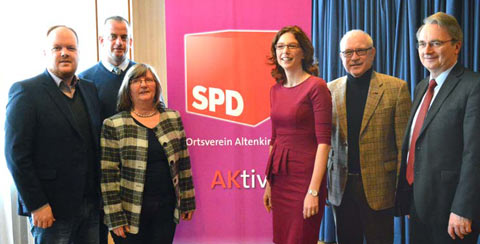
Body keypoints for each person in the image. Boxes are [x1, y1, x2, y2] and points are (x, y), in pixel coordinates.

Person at [5, 25, 102, 243]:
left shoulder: (89, 89)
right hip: (51, 211)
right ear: (45, 53)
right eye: (57, 48)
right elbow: (16, 155)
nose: (64, 53)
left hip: (91, 206)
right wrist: (36, 204)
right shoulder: (26, 92)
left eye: (71, 48)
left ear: (78, 53)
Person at [395, 12, 480, 243]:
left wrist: (463, 209)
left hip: (452, 212)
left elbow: (475, 155)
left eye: (436, 43)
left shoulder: (473, 86)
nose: (427, 50)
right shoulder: (422, 86)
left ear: (456, 46)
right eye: (422, 44)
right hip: (420, 204)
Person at [327, 30, 411, 243]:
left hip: (380, 188)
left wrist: (404, 190)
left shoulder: (396, 89)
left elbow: (404, 146)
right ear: (340, 56)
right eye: (347, 52)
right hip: (341, 188)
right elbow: (327, 143)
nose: (354, 57)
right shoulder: (329, 90)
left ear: (372, 53)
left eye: (360, 51)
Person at [100, 63, 195, 243]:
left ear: (156, 86)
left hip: (165, 211)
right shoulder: (114, 124)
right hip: (130, 214)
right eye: (137, 80)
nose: (143, 84)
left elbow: (183, 162)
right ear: (128, 89)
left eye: (149, 80)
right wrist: (114, 217)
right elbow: (108, 176)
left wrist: (188, 201)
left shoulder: (173, 118)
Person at [263, 25, 332, 244]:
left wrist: (313, 191)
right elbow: (274, 140)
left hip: (306, 179)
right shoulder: (275, 90)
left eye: (292, 46)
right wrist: (269, 183)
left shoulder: (316, 87)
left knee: (300, 239)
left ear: (303, 52)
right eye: (280, 46)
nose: (286, 51)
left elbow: (324, 143)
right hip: (280, 178)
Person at [79, 16, 136, 120]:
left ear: (130, 42)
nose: (119, 42)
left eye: (124, 37)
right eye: (113, 37)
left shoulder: (143, 75)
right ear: (101, 41)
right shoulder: (84, 79)